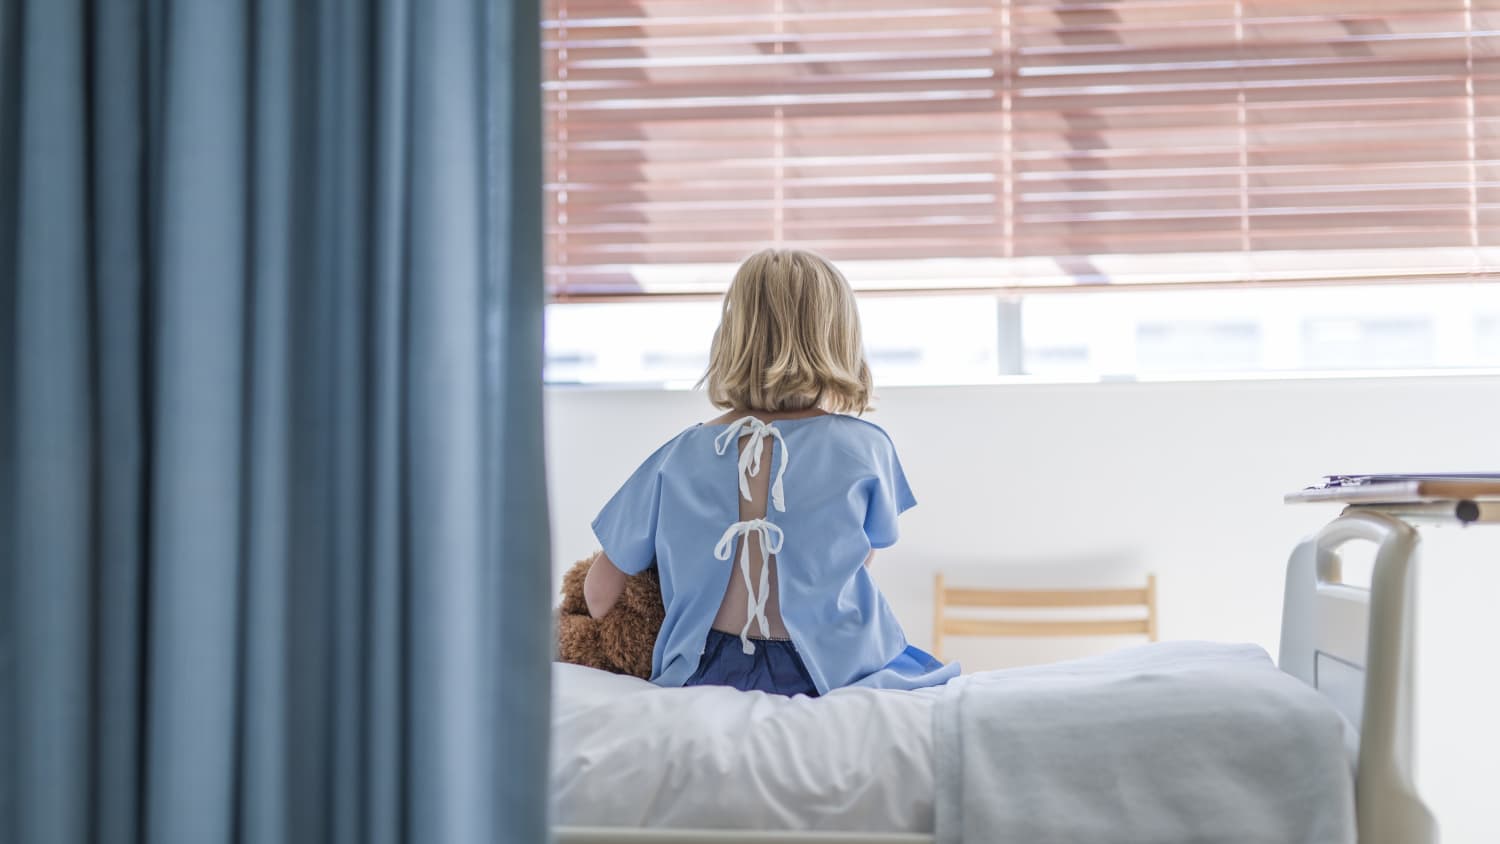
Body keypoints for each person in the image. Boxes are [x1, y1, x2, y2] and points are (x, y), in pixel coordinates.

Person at [582, 248, 958, 697]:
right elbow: (856, 558)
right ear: (840, 339)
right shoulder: (866, 447)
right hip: (834, 668)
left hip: (705, 671)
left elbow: (600, 595)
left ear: (732, 337)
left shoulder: (677, 456)